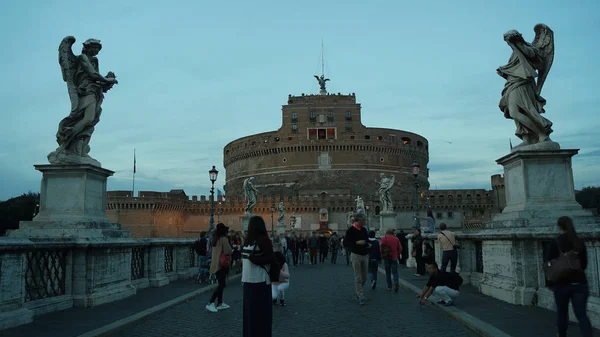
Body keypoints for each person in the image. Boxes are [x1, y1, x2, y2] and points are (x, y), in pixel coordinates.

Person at [544, 216, 592, 337]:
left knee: (562, 313)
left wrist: (549, 283)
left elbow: (548, 265)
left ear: (559, 226)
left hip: (561, 284)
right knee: (582, 315)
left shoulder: (555, 243)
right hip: (579, 283)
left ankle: (562, 335)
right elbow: (584, 264)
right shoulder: (579, 242)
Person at [242, 216, 275, 337]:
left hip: (260, 281)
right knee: (250, 316)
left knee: (259, 317)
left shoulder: (263, 240)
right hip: (248, 282)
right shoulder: (249, 240)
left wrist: (254, 259)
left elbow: (270, 258)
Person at [205, 223, 233, 313]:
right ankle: (210, 302)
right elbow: (228, 251)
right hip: (221, 265)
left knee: (221, 284)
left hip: (215, 265)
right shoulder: (224, 239)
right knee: (222, 285)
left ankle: (220, 303)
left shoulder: (215, 239)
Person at [345, 213, 371, 305]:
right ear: (357, 221)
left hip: (365, 254)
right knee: (358, 277)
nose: (364, 222)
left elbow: (367, 240)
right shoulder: (350, 230)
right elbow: (346, 243)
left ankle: (358, 291)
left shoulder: (364, 230)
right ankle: (361, 296)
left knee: (365, 277)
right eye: (363, 221)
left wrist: (368, 244)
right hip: (356, 255)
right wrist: (356, 243)